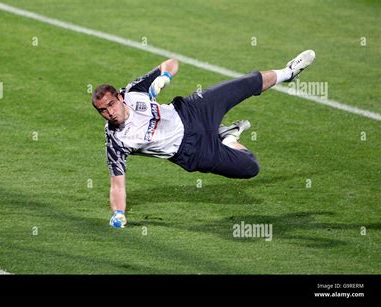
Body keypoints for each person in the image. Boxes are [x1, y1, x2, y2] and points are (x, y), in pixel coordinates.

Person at [92, 50, 316, 228]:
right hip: (193, 151)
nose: (110, 113)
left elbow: (171, 62)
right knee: (250, 168)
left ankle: (288, 72)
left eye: (111, 105)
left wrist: (164, 77)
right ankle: (227, 138)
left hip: (192, 110)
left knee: (245, 84)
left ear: (120, 98)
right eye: (103, 110)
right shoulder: (115, 140)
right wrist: (118, 214)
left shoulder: (133, 92)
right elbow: (117, 184)